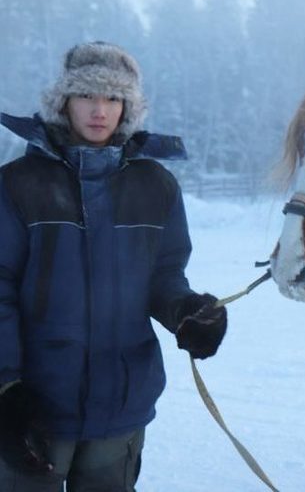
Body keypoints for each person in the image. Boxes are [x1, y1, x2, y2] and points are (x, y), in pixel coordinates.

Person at [0, 41, 228, 491]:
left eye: (113, 98)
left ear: (128, 107)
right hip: (34, 406)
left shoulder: (156, 186)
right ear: (63, 102)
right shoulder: (18, 184)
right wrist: (6, 387)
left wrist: (185, 313)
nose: (99, 110)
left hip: (121, 406)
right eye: (87, 95)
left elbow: (163, 275)